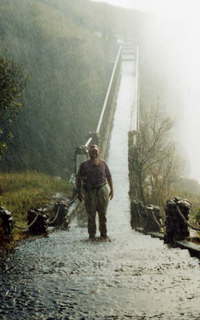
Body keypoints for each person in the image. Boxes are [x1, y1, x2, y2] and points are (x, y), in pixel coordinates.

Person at [76, 144, 113, 241]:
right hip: (90, 191)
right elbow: (78, 178)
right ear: (88, 152)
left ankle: (103, 235)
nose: (94, 152)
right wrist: (79, 192)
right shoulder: (84, 165)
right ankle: (92, 235)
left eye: (95, 151)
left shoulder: (103, 164)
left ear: (98, 152)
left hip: (102, 190)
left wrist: (112, 190)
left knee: (102, 214)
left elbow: (109, 176)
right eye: (92, 151)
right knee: (91, 215)